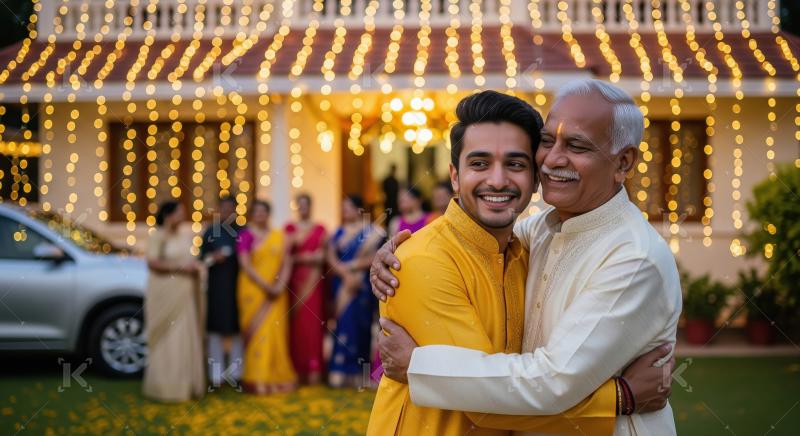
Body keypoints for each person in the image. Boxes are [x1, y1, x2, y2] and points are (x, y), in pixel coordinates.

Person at [371, 80, 682, 435]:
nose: (553, 159)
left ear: (623, 162)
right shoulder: (540, 231)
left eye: (576, 145)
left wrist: (417, 365)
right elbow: (467, 240)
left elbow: (549, 384)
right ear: (454, 176)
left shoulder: (633, 259)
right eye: (548, 142)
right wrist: (402, 253)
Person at [143, 201, 205, 402]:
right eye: (180, 212)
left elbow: (190, 261)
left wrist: (196, 268)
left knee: (183, 334)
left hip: (184, 292)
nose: (183, 215)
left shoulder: (185, 235)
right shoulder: (158, 236)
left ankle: (184, 385)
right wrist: (179, 268)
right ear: (168, 215)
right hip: (164, 291)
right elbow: (152, 262)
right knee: (165, 336)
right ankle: (163, 386)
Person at [237, 200, 296, 394]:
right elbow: (245, 265)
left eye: (263, 211)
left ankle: (275, 376)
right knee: (257, 335)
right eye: (257, 211)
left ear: (268, 214)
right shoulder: (245, 236)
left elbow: (287, 262)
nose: (260, 215)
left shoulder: (279, 237)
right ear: (252, 215)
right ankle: (256, 377)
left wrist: (279, 286)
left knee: (275, 332)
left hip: (277, 292)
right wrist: (266, 286)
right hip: (253, 291)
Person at [326, 194, 383, 388]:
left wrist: (353, 267)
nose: (345, 211)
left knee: (361, 326)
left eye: (348, 207)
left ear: (359, 209)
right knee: (342, 325)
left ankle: (360, 374)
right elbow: (331, 257)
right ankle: (339, 372)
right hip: (343, 285)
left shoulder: (373, 232)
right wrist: (345, 274)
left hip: (362, 285)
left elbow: (377, 256)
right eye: (343, 208)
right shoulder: (338, 233)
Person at [201, 196, 243, 388]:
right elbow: (201, 258)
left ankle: (235, 375)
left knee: (237, 331)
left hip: (239, 287)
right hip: (217, 288)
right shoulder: (211, 232)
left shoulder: (243, 231)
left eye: (230, 208)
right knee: (215, 332)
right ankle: (215, 377)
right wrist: (213, 258)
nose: (226, 211)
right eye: (223, 208)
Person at [285, 193, 327, 385]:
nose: (303, 208)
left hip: (314, 283)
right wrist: (308, 257)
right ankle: (296, 369)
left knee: (312, 324)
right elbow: (285, 256)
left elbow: (323, 257)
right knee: (296, 327)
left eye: (306, 205)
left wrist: (301, 257)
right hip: (294, 282)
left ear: (311, 206)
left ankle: (314, 369)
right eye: (299, 205)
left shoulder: (320, 229)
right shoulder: (289, 229)